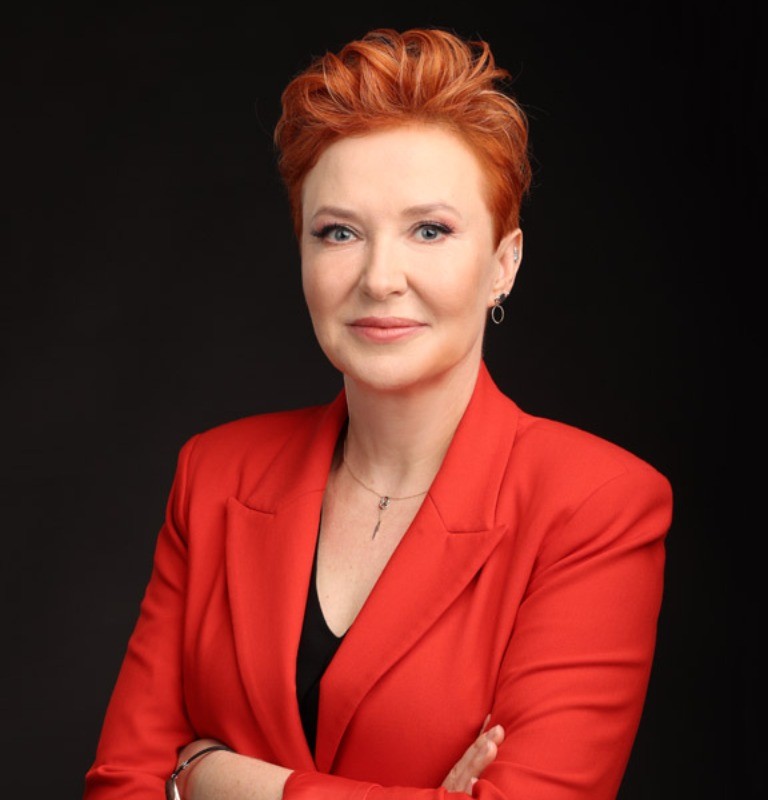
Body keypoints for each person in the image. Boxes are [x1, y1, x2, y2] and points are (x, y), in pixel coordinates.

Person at [83, 27, 672, 800]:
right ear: (302, 255)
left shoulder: (597, 504)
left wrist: (213, 778)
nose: (379, 277)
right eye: (339, 233)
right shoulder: (215, 473)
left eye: (429, 230)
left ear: (504, 263)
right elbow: (120, 785)